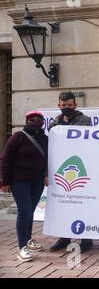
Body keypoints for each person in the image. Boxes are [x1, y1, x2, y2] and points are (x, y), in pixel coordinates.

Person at [48, 92, 94, 253]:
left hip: (81, 168)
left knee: (82, 204)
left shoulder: (85, 121)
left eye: (69, 105)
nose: (66, 107)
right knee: (63, 205)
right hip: (62, 171)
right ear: (59, 105)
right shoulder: (54, 123)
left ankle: (86, 240)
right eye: (63, 105)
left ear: (75, 105)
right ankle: (64, 238)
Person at [1, 111, 48, 262]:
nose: (35, 122)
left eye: (39, 120)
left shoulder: (44, 138)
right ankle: (22, 248)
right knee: (24, 211)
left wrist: (46, 174)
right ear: (27, 121)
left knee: (31, 211)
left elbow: (48, 157)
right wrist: (5, 181)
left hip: (37, 181)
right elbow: (5, 159)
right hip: (19, 180)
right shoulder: (18, 137)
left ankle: (28, 240)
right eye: (32, 120)